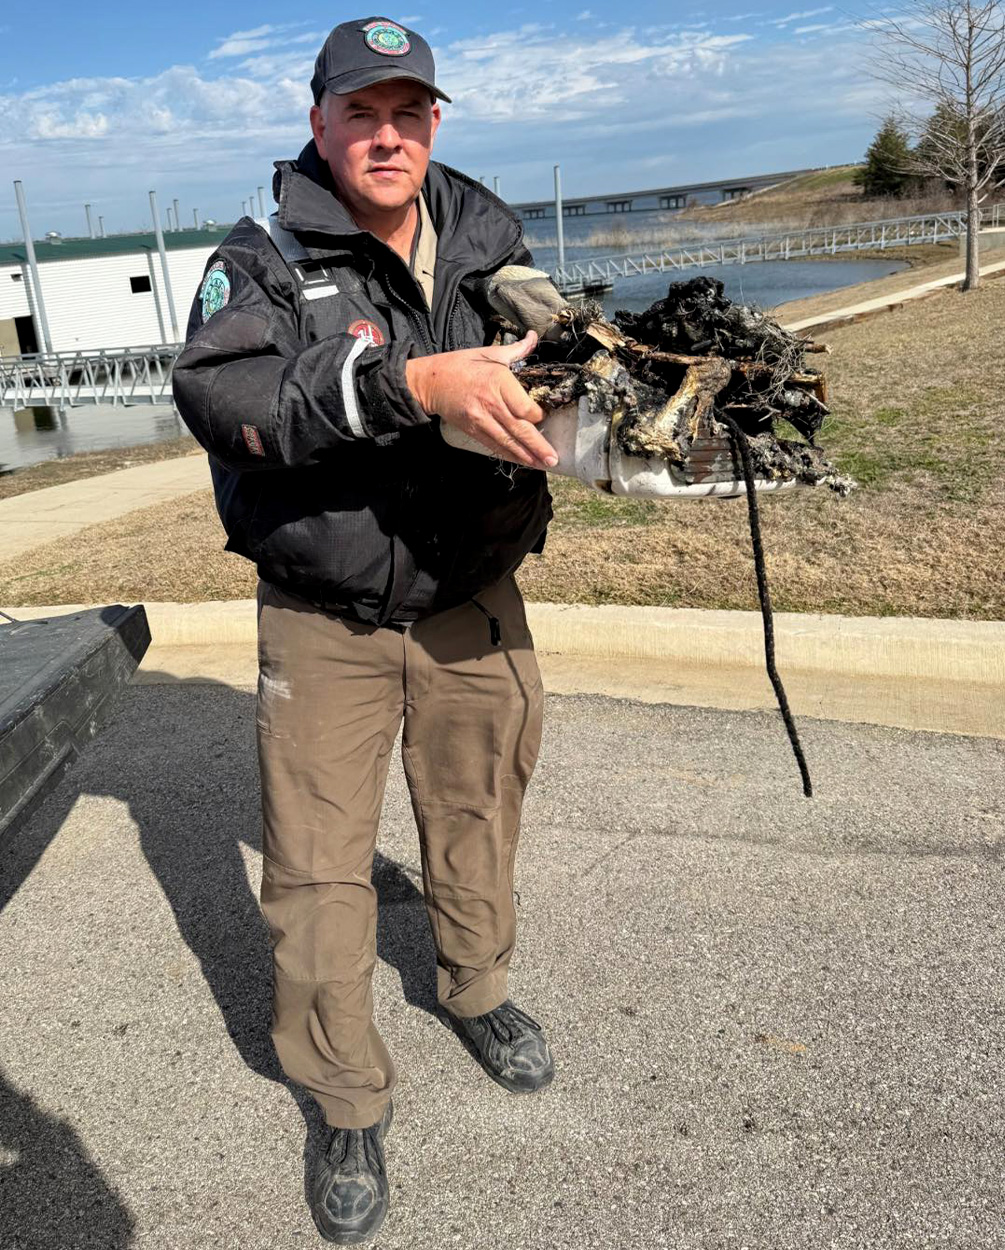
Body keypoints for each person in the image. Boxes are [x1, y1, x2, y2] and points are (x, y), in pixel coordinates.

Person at [172, 15, 559, 1245]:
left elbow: (546, 356)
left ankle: (478, 987)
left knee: (479, 809)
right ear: (318, 118)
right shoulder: (265, 253)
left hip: (473, 596)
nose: (384, 135)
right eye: (360, 112)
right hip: (325, 615)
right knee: (318, 869)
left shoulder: (488, 234)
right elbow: (229, 396)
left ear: (435, 122)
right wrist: (411, 384)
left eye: (408, 113)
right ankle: (344, 1095)